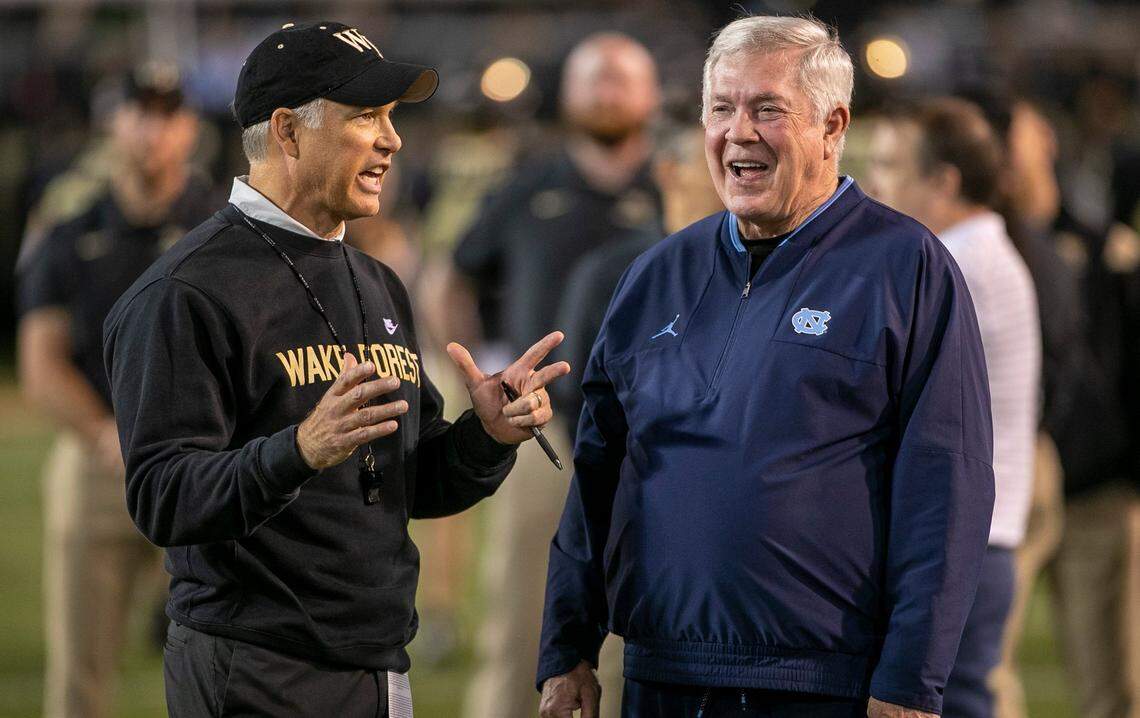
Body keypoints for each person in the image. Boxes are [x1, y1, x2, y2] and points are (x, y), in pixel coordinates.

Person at [101, 22, 569, 717]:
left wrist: (486, 436)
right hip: (254, 667)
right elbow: (163, 496)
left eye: (391, 118)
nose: (393, 140)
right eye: (367, 118)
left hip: (378, 660)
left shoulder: (377, 280)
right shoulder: (185, 291)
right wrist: (298, 451)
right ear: (288, 132)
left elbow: (408, 480)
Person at [537, 16, 995, 718]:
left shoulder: (907, 268)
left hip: (823, 685)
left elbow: (947, 488)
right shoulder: (655, 275)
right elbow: (598, 476)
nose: (738, 132)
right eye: (721, 108)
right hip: (662, 677)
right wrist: (566, 647)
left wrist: (910, 682)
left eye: (768, 109)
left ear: (833, 126)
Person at [456, 32, 663, 718]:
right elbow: (453, 276)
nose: (607, 93)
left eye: (621, 80)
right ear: (568, 96)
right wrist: (487, 366)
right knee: (522, 618)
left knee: (639, 628)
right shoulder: (528, 184)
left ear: (652, 97)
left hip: (653, 442)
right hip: (543, 435)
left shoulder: (681, 186)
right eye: (593, 79)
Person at [16, 65, 212, 718]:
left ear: (189, 128)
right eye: (139, 111)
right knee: (79, 674)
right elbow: (40, 364)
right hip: (99, 460)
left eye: (168, 113)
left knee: (226, 660)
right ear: (113, 124)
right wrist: (105, 435)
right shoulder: (71, 232)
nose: (153, 129)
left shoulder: (225, 227)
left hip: (203, 460)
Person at [865, 97, 1042, 718]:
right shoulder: (979, 251)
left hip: (959, 548)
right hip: (977, 542)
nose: (875, 184)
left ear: (943, 181)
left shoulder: (954, 263)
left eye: (892, 165)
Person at [553, 123, 724, 442]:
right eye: (718, 158)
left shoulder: (765, 266)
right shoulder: (613, 274)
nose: (737, 170)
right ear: (669, 172)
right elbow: (579, 398)